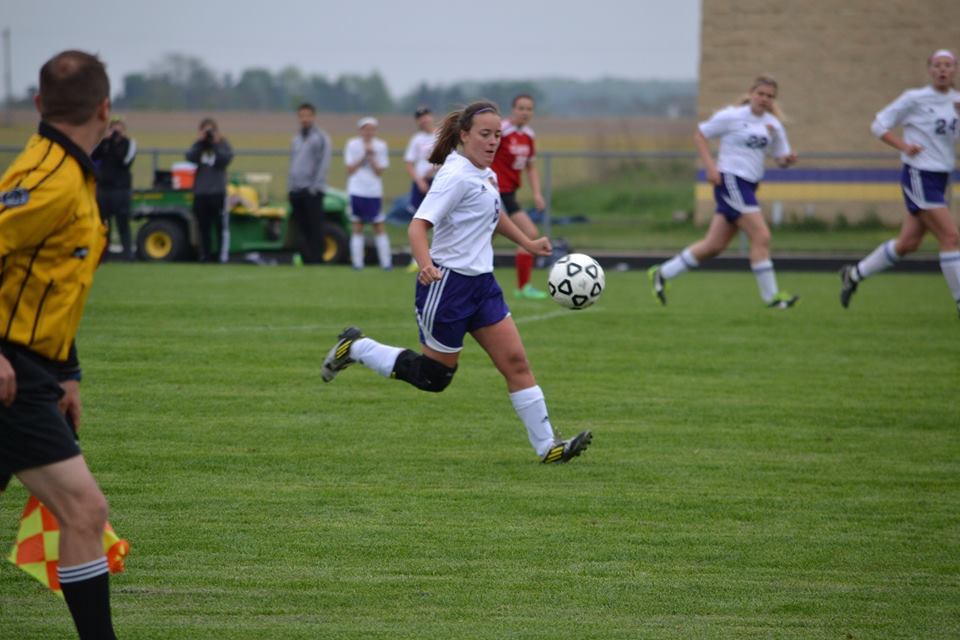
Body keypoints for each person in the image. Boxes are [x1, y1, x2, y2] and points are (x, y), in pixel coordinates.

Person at [320, 101, 592, 464]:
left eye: (497, 135)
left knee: (516, 362)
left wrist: (527, 242)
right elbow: (418, 226)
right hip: (448, 286)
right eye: (485, 134)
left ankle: (548, 447)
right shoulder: (455, 176)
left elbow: (494, 213)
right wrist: (425, 265)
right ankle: (356, 348)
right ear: (464, 135)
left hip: (483, 286)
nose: (493, 141)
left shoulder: (485, 173)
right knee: (435, 378)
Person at [0, 50, 117, 639]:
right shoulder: (47, 178)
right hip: (11, 371)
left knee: (82, 511)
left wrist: (67, 372)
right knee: (84, 510)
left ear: (40, 103)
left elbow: (50, 285)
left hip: (34, 371)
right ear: (105, 108)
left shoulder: (71, 172)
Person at [648, 76, 800, 309]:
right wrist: (710, 168)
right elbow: (700, 135)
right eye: (761, 94)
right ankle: (773, 298)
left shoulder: (773, 125)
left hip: (749, 186)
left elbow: (780, 159)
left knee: (714, 246)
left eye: (770, 96)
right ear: (751, 93)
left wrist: (787, 160)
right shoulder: (731, 116)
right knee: (761, 236)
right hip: (730, 180)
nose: (764, 99)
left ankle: (662, 273)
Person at [840, 49, 960, 316]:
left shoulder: (957, 102)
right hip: (919, 175)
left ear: (955, 70)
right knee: (951, 237)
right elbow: (878, 125)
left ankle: (854, 274)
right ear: (929, 69)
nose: (942, 69)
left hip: (941, 177)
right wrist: (904, 146)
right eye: (937, 65)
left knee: (908, 243)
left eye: (948, 65)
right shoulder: (914, 98)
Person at [491, 94, 549, 299]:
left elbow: (530, 167)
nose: (525, 112)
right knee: (528, 232)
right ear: (513, 109)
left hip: (509, 193)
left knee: (486, 239)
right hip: (495, 192)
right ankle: (522, 287)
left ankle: (522, 287)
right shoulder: (502, 130)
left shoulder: (529, 136)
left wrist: (537, 194)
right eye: (521, 108)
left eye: (529, 109)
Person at [344, 117, 391, 270]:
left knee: (378, 225)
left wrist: (371, 157)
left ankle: (386, 263)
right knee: (357, 225)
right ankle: (357, 263)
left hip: (373, 191)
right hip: (357, 190)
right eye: (365, 129)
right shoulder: (352, 144)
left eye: (371, 129)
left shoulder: (381, 145)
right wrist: (363, 155)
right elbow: (350, 169)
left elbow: (379, 171)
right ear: (360, 131)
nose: (368, 132)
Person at [288, 102, 332, 265]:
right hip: (296, 190)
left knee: (315, 227)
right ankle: (306, 259)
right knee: (302, 227)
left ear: (313, 116)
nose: (304, 119)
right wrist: (290, 187)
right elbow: (293, 163)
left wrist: (314, 187)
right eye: (302, 116)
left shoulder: (321, 138)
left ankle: (317, 259)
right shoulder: (296, 139)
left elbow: (323, 164)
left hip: (312, 191)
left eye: (308, 115)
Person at [185, 117, 234, 263]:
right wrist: (200, 142)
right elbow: (189, 157)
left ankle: (221, 256)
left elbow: (224, 160)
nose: (208, 134)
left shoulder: (222, 144)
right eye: (205, 130)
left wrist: (215, 143)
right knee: (203, 227)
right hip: (201, 192)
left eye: (210, 130)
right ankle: (205, 256)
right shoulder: (199, 146)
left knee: (220, 227)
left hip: (217, 192)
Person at [91, 116, 136, 260]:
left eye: (119, 127)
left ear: (124, 129)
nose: (116, 130)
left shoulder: (128, 143)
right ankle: (104, 253)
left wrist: (116, 143)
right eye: (113, 127)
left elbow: (125, 161)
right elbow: (93, 156)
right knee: (104, 223)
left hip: (121, 190)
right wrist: (105, 140)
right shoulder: (105, 143)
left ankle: (127, 254)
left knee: (123, 223)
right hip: (104, 189)